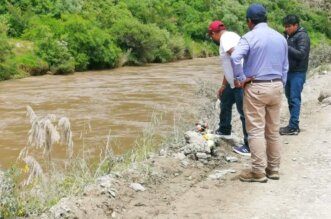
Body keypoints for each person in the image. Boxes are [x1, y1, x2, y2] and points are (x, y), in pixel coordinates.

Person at [231, 4, 288, 182]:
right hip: (277, 86)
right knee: (273, 131)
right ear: (266, 19)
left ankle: (258, 172)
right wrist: (281, 84)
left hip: (256, 86)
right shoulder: (281, 38)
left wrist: (241, 77)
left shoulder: (249, 37)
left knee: (255, 130)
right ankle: (274, 169)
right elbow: (285, 66)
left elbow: (234, 57)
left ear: (249, 21)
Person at [208, 20, 250, 156]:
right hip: (232, 83)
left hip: (239, 83)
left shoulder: (226, 39)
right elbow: (228, 65)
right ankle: (224, 130)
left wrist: (239, 77)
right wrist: (223, 85)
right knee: (224, 100)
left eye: (211, 36)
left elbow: (236, 57)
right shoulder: (231, 36)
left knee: (243, 113)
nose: (211, 39)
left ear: (213, 33)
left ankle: (249, 146)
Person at [280, 15, 310, 135]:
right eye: (285, 27)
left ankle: (293, 127)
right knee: (290, 98)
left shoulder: (303, 36)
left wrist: (286, 46)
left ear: (296, 25)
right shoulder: (287, 36)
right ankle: (292, 125)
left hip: (298, 72)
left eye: (288, 27)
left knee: (294, 99)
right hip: (288, 71)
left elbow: (301, 54)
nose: (286, 29)